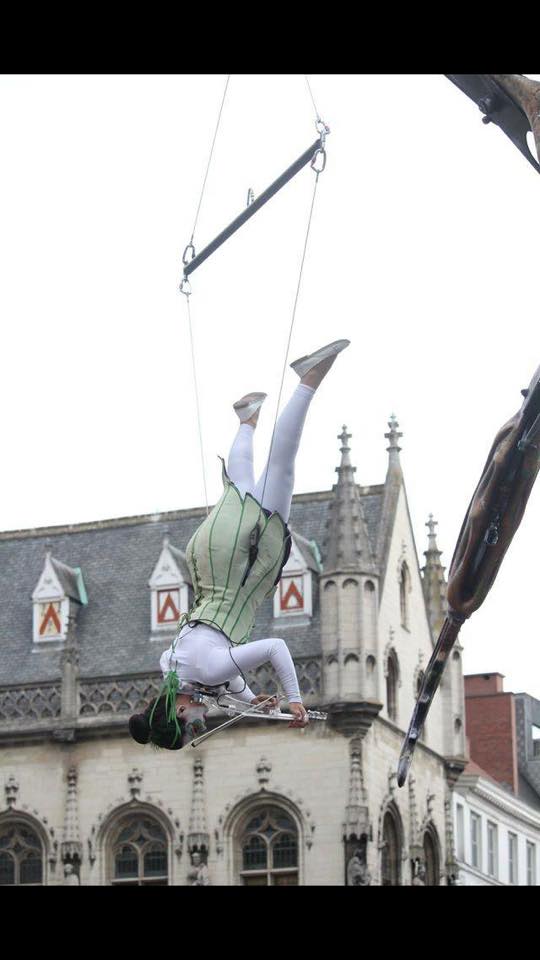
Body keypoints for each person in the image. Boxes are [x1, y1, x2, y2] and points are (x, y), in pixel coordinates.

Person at [129, 339, 350, 750]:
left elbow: (275, 647)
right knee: (243, 483)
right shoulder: (172, 667)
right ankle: (246, 420)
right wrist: (258, 703)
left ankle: (308, 380)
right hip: (211, 556)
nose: (201, 720)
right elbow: (226, 677)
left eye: (192, 723)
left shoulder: (206, 669)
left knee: (281, 468)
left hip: (242, 564)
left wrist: (296, 700)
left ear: (178, 712)